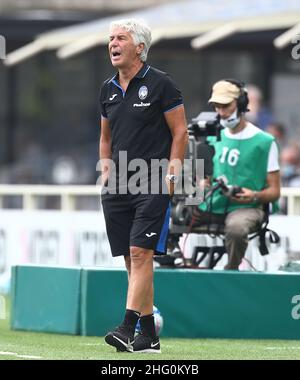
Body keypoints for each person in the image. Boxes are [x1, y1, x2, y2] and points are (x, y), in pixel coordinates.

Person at [99, 19, 188, 353]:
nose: (113, 43)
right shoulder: (107, 89)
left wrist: (172, 173)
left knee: (140, 253)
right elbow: (105, 136)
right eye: (110, 39)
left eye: (120, 38)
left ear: (139, 46)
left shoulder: (162, 83)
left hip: (152, 180)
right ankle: (149, 335)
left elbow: (181, 131)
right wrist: (106, 171)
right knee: (131, 259)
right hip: (117, 184)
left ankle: (127, 328)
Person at [192, 79, 281, 270]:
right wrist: (202, 183)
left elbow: (275, 191)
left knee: (236, 228)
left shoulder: (265, 142)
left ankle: (231, 272)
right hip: (213, 204)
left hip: (249, 207)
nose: (221, 112)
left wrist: (254, 195)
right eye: (217, 107)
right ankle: (175, 266)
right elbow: (204, 178)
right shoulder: (210, 136)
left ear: (241, 104)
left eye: (226, 106)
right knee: (170, 216)